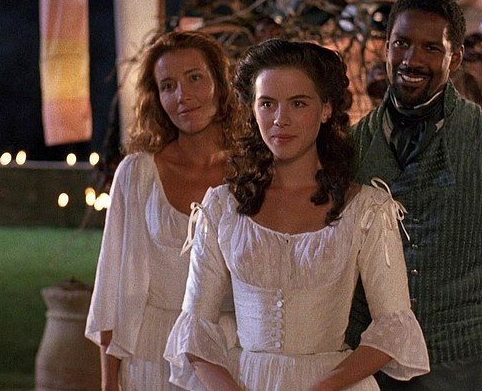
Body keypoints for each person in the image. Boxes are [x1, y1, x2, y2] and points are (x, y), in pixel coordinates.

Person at [164, 39, 430, 390]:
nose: (280, 119)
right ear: (253, 110)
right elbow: (196, 328)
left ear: (326, 110)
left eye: (298, 103)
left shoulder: (368, 210)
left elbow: (392, 327)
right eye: (267, 104)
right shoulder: (221, 208)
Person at [347, 0, 482, 390]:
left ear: (456, 57)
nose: (412, 59)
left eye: (431, 48)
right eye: (402, 43)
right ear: (386, 47)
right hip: (368, 371)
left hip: (466, 372)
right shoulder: (350, 147)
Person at [85, 30, 241, 390]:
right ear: (157, 98)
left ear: (220, 83)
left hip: (231, 352)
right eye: (168, 86)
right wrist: (109, 384)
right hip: (152, 354)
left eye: (195, 78)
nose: (183, 96)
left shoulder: (254, 171)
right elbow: (112, 290)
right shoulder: (137, 174)